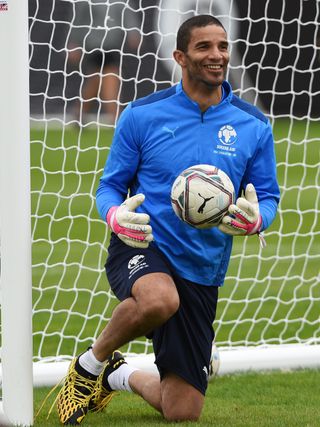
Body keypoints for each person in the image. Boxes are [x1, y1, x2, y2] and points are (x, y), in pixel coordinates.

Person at [56, 14, 280, 425]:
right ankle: (88, 367)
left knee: (182, 411)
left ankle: (117, 374)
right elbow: (109, 187)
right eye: (204, 48)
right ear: (180, 56)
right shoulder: (142, 114)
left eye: (222, 47)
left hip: (203, 266)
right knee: (160, 299)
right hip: (143, 243)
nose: (217, 56)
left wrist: (256, 219)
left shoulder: (252, 124)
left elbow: (267, 196)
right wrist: (115, 216)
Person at [67, 0, 141, 125]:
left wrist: (133, 32)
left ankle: (79, 112)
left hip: (113, 46)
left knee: (97, 81)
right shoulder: (86, 2)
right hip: (93, 46)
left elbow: (128, 14)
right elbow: (78, 21)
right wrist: (74, 42)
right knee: (107, 80)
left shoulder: (120, 2)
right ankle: (117, 119)